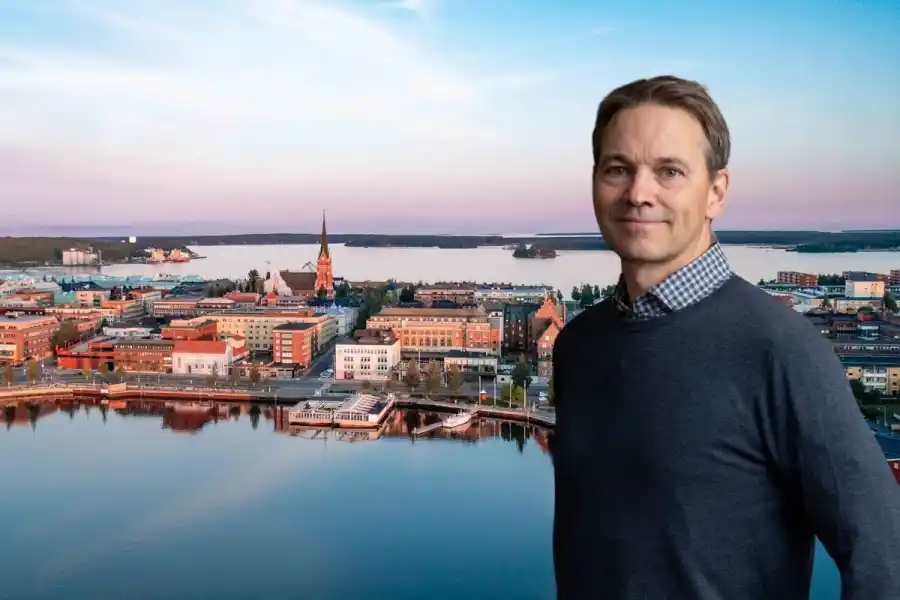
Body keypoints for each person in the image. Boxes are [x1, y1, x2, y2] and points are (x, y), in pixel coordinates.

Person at [550, 75, 900, 599]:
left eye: (669, 171)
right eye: (618, 169)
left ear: (716, 192)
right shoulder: (578, 345)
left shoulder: (779, 348)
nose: (639, 193)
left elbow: (885, 556)